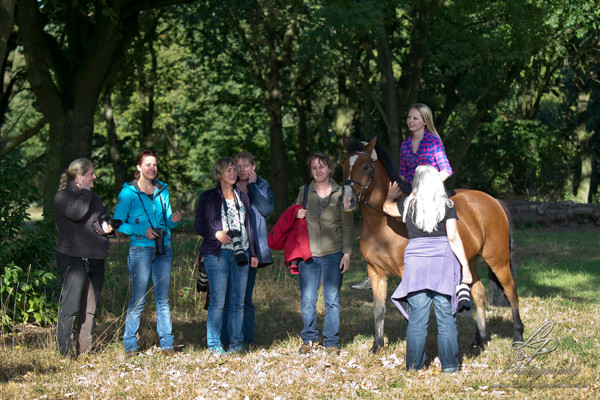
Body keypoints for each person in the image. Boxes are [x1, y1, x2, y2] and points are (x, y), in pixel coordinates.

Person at [352, 103, 453, 291]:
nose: (410, 121)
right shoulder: (405, 145)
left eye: (415, 118)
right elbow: (404, 173)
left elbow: (446, 170)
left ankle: (441, 264)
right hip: (412, 191)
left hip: (433, 191)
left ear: (424, 121)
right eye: (409, 117)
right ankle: (377, 268)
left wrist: (428, 187)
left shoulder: (433, 142)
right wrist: (398, 188)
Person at [383, 165, 472, 372]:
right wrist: (465, 267)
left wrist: (389, 196)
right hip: (442, 264)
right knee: (446, 319)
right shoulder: (447, 205)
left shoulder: (407, 204)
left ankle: (414, 367)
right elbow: (452, 237)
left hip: (416, 266)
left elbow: (387, 208)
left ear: (417, 183)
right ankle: (450, 367)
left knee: (417, 320)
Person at [113, 150, 181, 357]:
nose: (152, 168)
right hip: (140, 250)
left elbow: (166, 221)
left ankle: (167, 345)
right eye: (148, 165)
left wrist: (173, 220)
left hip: (163, 248)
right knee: (139, 299)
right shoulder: (128, 193)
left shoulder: (163, 190)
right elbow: (117, 223)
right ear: (139, 167)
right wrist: (141, 230)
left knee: (163, 299)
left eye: (155, 165)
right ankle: (130, 346)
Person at [194, 157, 258, 355]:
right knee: (218, 302)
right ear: (219, 173)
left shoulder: (243, 196)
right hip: (218, 254)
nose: (233, 173)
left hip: (242, 252)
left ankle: (236, 344)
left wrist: (253, 252)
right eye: (228, 170)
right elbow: (199, 225)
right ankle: (214, 346)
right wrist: (216, 233)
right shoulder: (208, 197)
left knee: (238, 301)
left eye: (234, 170)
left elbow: (249, 227)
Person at [295, 152, 354, 355]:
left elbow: (348, 226)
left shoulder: (344, 192)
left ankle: (331, 342)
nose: (318, 171)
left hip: (333, 254)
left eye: (322, 167)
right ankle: (309, 338)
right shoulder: (303, 192)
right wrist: (296, 214)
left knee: (332, 299)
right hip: (308, 255)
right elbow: (295, 224)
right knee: (308, 299)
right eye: (314, 168)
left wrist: (347, 254)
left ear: (329, 168)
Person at [53, 158, 113, 357]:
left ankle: (85, 351)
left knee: (90, 309)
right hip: (72, 258)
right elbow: (78, 212)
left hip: (96, 259)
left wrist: (109, 226)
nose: (94, 176)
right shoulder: (62, 197)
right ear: (80, 177)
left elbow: (102, 216)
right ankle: (65, 352)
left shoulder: (93, 197)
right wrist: (85, 190)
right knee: (70, 307)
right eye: (91, 174)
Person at [221, 151, 274, 346]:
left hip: (253, 249)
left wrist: (252, 187)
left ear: (253, 168)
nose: (242, 170)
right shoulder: (228, 185)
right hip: (229, 246)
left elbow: (266, 210)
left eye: (246, 166)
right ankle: (226, 338)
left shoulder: (261, 185)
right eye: (239, 166)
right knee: (227, 295)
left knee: (245, 296)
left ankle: (246, 338)